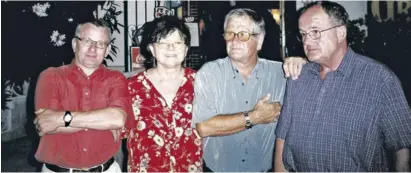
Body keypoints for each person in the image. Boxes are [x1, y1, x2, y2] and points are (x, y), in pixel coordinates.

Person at [274, 1, 411, 172]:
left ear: (340, 32)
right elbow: (282, 139)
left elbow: (403, 147)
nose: (307, 41)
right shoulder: (298, 77)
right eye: (303, 34)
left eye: (315, 32)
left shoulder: (380, 79)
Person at [192, 8, 307, 172]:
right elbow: (204, 127)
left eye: (243, 34)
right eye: (229, 34)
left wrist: (302, 61)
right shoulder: (210, 72)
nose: (234, 40)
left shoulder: (281, 73)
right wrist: (254, 117)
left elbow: (321, 70)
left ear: (259, 40)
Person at [33, 19, 131, 172]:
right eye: (87, 41)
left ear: (107, 49)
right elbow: (46, 124)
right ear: (74, 44)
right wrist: (102, 120)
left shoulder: (116, 78)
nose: (93, 49)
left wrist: (62, 119)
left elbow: (117, 119)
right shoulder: (51, 76)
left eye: (100, 44)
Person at [121, 16, 203, 172]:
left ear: (186, 49)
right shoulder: (132, 87)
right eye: (163, 43)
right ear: (152, 49)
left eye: (177, 43)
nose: (171, 48)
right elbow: (118, 131)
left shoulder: (201, 84)